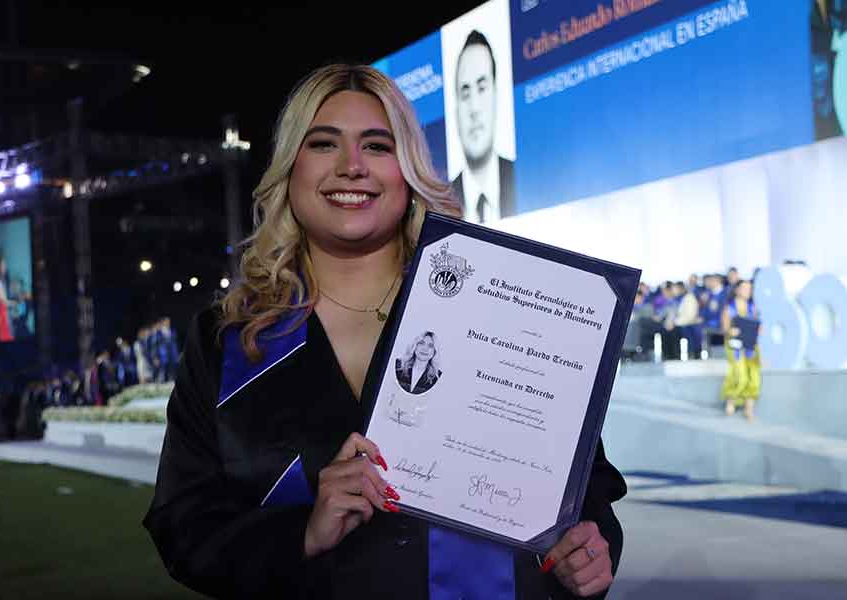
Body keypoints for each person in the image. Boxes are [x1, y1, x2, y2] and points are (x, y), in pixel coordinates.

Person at [143, 63, 625, 600]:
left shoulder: (500, 311)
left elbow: (585, 502)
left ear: (409, 169)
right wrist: (301, 534)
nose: (351, 167)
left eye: (377, 146)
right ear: (290, 168)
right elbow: (183, 525)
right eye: (323, 144)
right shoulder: (229, 341)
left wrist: (589, 552)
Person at [449, 30, 515, 224]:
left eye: (482, 88)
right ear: (456, 110)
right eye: (465, 93)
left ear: (496, 95)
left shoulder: (528, 178)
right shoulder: (438, 202)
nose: (474, 108)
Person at [721, 279, 761, 420]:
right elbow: (725, 328)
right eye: (744, 288)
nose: (747, 291)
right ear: (737, 290)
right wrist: (731, 331)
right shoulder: (729, 308)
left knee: (754, 375)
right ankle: (731, 401)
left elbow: (759, 326)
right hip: (735, 345)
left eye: (749, 289)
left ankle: (749, 408)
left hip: (751, 344)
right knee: (739, 373)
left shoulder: (753, 308)